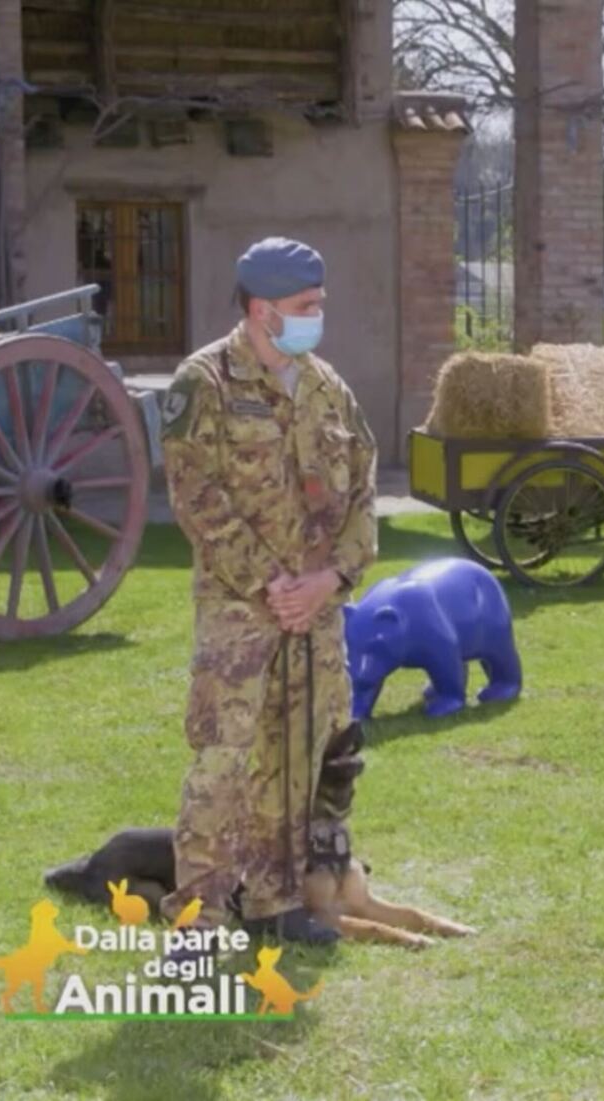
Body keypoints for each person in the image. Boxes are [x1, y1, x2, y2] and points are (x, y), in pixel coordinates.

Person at [158, 236, 378, 948]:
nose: (319, 316)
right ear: (262, 311)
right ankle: (198, 918)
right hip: (239, 613)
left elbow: (364, 499)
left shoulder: (328, 388)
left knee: (297, 758)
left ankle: (275, 900)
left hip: (315, 615)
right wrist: (272, 582)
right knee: (223, 761)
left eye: (318, 303)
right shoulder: (205, 384)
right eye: (305, 306)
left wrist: (330, 580)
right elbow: (198, 499)